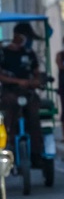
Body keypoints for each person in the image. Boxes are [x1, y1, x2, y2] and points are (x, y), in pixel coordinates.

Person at [0, 22, 44, 166]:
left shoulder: (29, 53)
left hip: (28, 92)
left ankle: (37, 152)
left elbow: (36, 73)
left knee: (34, 115)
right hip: (9, 91)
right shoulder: (3, 53)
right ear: (17, 36)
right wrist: (18, 81)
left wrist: (37, 81)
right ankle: (8, 145)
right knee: (9, 113)